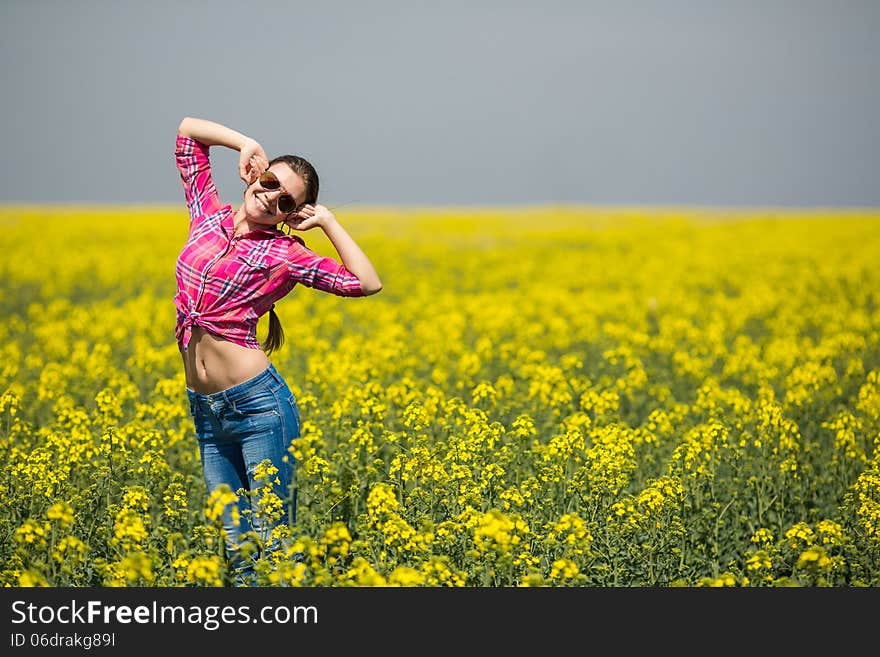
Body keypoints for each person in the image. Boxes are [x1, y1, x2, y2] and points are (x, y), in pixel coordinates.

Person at [174, 116, 382, 585]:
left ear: (292, 214)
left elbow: (366, 283)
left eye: (285, 200)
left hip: (258, 407)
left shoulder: (284, 255)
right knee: (236, 544)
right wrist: (245, 142)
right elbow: (188, 134)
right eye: (270, 183)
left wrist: (327, 221)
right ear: (256, 174)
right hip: (205, 409)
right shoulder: (206, 213)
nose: (270, 196)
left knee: (271, 539)